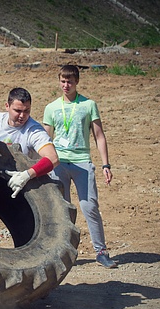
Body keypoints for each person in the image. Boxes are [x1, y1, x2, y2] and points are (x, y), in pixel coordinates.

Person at [42, 64, 117, 269]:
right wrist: (41, 165)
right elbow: (45, 139)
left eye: (70, 81)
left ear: (77, 82)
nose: (66, 85)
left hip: (82, 162)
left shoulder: (88, 105)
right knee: (61, 210)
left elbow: (99, 136)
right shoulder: (51, 108)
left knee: (89, 206)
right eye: (63, 81)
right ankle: (63, 252)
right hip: (58, 163)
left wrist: (105, 164)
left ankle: (101, 252)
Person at [0, 87, 60, 232]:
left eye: (27, 111)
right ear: (7, 106)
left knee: (27, 236)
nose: (22, 116)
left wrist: (27, 174)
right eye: (17, 110)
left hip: (18, 187)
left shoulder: (34, 131)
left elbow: (53, 159)